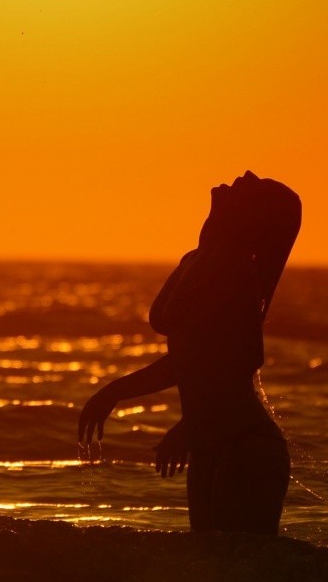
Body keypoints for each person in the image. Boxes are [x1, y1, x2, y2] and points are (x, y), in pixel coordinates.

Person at [77, 172, 302, 534]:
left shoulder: (236, 271)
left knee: (238, 568)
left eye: (252, 186)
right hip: (211, 437)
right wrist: (191, 424)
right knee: (210, 565)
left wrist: (121, 396)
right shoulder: (199, 259)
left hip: (243, 443)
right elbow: (194, 357)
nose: (242, 175)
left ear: (250, 216)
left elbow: (237, 360)